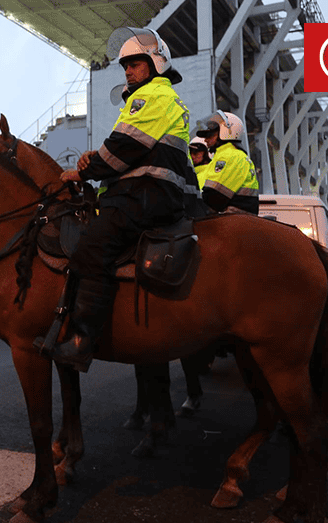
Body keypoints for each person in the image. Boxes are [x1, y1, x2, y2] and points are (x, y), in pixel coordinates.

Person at [46, 28, 198, 372]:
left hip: (145, 194)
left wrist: (81, 172)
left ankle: (83, 341)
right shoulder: (152, 99)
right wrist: (93, 159)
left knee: (91, 250)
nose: (127, 71)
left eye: (134, 64)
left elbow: (123, 147)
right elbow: (121, 147)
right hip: (145, 193)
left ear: (155, 63)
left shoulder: (152, 97)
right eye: (125, 65)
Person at [196, 111, 259, 214]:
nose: (206, 140)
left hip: (231, 220)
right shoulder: (229, 155)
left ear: (226, 133)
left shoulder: (230, 156)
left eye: (210, 134)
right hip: (236, 219)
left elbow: (214, 198)